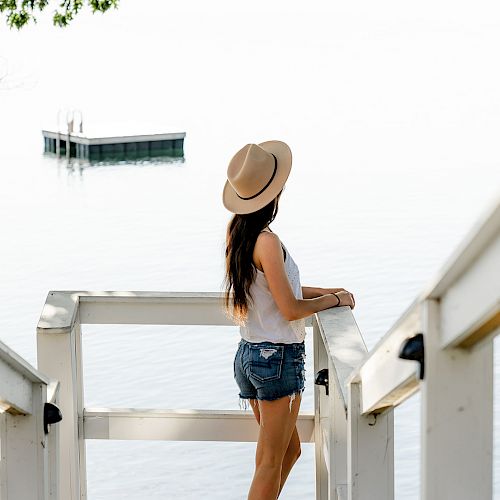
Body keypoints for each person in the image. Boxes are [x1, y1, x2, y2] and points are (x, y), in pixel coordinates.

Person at [222, 140, 355, 500]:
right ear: (274, 192)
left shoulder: (238, 236)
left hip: (250, 356)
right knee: (269, 461)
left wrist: (324, 290)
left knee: (287, 451)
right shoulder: (267, 240)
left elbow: (277, 290)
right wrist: (336, 300)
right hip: (276, 360)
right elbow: (289, 309)